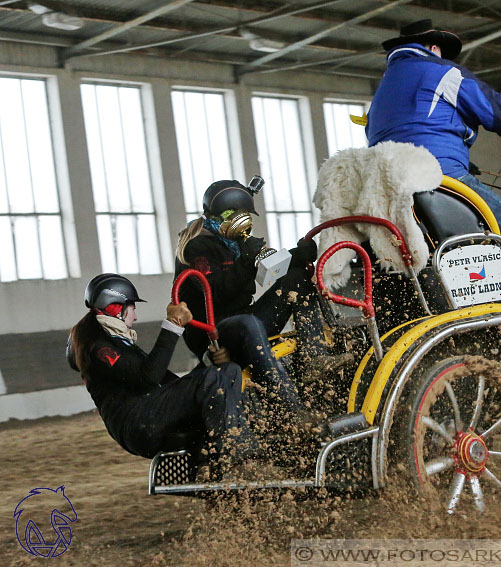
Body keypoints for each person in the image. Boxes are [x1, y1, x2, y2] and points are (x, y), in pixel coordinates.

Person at [366, 19, 501, 301]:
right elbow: (498, 111)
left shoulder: (384, 90)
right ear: (434, 47)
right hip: (437, 175)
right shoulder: (442, 72)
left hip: (389, 186)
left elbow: (402, 130)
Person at [66, 274, 261, 465]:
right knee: (221, 376)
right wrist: (172, 326)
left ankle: (211, 462)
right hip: (138, 422)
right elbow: (150, 377)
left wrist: (207, 363)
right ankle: (229, 452)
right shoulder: (100, 349)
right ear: (116, 308)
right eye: (132, 309)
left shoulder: (115, 342)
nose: (135, 316)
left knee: (228, 371)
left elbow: (169, 385)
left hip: (145, 415)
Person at [174, 178, 330, 387]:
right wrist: (247, 260)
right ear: (227, 216)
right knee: (250, 321)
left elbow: (268, 269)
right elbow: (214, 293)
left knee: (297, 278)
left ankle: (315, 356)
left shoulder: (232, 243)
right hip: (218, 338)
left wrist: (298, 256)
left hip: (246, 322)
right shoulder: (196, 248)